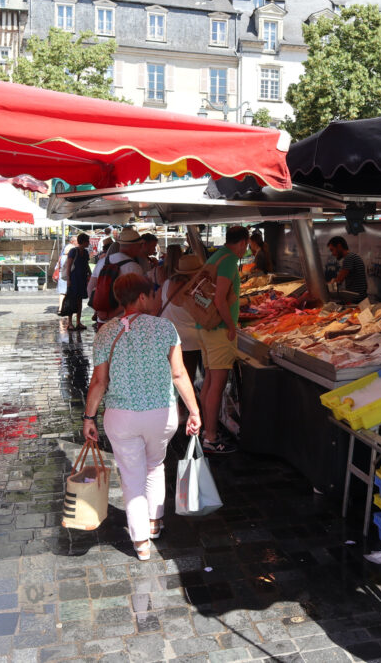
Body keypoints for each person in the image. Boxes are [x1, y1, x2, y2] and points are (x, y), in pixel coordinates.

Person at [82, 273, 202, 561]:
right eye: (152, 294)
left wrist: (89, 417)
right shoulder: (165, 328)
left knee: (131, 476)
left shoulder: (106, 331)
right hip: (161, 414)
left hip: (121, 417)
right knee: (155, 466)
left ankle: (141, 543)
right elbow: (178, 374)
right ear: (141, 297)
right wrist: (195, 411)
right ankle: (154, 522)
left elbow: (99, 382)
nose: (155, 298)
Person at [197, 225, 250, 454]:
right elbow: (220, 299)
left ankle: (206, 430)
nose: (245, 249)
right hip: (219, 330)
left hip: (205, 327)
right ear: (242, 242)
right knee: (216, 385)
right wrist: (231, 327)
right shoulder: (228, 260)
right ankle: (210, 437)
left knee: (209, 381)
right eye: (245, 245)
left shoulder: (216, 256)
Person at [160, 253, 203, 404]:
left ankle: (172, 408)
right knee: (187, 377)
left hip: (168, 336)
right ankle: (183, 411)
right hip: (190, 340)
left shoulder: (166, 284)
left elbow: (158, 305)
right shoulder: (197, 289)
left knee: (171, 376)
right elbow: (205, 310)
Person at [87, 227, 145, 323]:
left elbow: (90, 288)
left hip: (102, 320)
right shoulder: (134, 267)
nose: (141, 248)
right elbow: (133, 298)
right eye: (140, 245)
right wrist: (112, 314)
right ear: (134, 246)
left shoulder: (102, 261)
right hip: (124, 321)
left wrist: (99, 311)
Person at [62, 233, 92, 331]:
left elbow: (86, 264)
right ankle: (70, 323)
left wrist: (90, 274)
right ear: (83, 241)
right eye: (87, 241)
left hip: (82, 279)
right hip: (74, 279)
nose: (89, 243)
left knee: (79, 301)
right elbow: (69, 266)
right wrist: (68, 280)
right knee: (71, 300)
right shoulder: (73, 251)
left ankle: (78, 322)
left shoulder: (86, 253)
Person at [56, 234, 78, 311]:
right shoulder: (69, 258)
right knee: (68, 293)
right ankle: (67, 308)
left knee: (62, 293)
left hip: (62, 275)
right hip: (67, 276)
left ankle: (60, 308)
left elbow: (58, 265)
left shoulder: (62, 257)